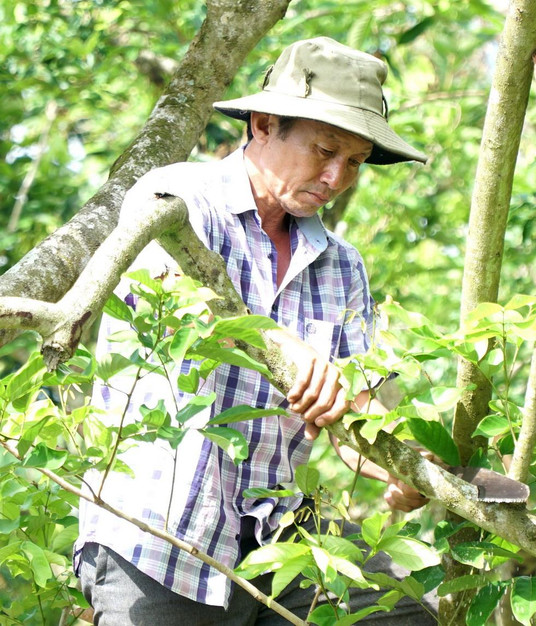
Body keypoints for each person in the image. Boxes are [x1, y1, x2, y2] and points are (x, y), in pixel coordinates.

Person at [75, 37, 436, 624]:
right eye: (325, 150)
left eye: (354, 162)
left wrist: (403, 463)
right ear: (264, 125)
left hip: (277, 535)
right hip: (160, 539)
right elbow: (185, 311)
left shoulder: (342, 265)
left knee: (410, 608)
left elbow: (355, 406)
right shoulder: (177, 197)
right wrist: (283, 345)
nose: (336, 177)